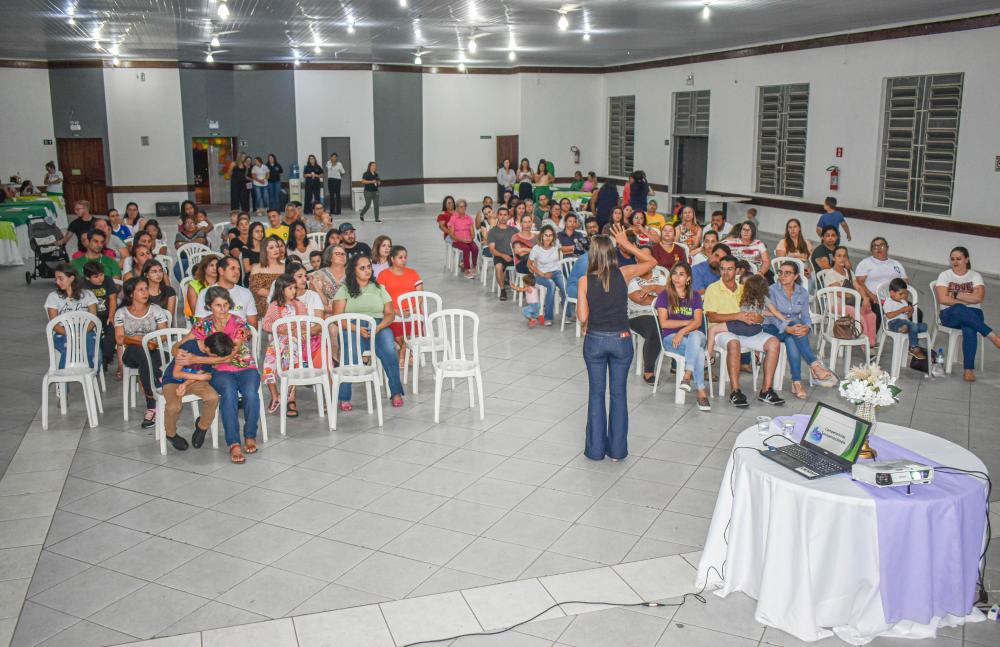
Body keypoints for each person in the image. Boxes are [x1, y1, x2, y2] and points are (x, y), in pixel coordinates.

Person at [576, 225, 656, 461]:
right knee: (618, 394)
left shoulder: (584, 281)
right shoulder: (624, 273)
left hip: (595, 342)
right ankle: (618, 451)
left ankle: (595, 450)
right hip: (622, 340)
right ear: (612, 252)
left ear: (592, 254)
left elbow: (582, 317)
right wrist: (627, 244)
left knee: (596, 394)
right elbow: (651, 262)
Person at [179, 286, 261, 463]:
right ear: (209, 306)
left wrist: (195, 357)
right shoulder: (204, 325)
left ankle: (250, 435)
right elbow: (181, 344)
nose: (223, 310)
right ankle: (234, 443)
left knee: (251, 395)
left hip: (245, 367)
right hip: (220, 372)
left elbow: (229, 355)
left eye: (226, 305)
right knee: (229, 395)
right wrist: (180, 353)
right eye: (218, 305)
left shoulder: (239, 323)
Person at [704, 256, 785, 407]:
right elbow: (711, 316)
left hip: (747, 329)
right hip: (723, 329)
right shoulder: (713, 288)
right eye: (722, 269)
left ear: (736, 271)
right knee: (734, 343)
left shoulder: (745, 288)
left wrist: (758, 318)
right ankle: (735, 392)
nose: (725, 273)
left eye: (729, 269)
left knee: (774, 343)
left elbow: (761, 313)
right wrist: (738, 316)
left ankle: (766, 390)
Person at [332, 255, 404, 409]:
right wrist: (357, 329)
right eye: (362, 268)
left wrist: (378, 327)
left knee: (390, 351)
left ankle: (396, 392)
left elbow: (390, 314)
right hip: (351, 326)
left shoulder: (379, 288)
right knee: (349, 353)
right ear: (354, 270)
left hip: (378, 325)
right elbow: (337, 317)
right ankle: (344, 397)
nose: (367, 270)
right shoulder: (344, 289)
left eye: (369, 267)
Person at [765, 261, 837, 399]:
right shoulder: (771, 290)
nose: (783, 275)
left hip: (792, 329)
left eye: (788, 273)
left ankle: (797, 382)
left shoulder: (801, 292)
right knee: (794, 323)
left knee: (793, 337)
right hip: (772, 327)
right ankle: (814, 365)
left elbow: (805, 316)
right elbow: (773, 317)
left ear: (796, 275)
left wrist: (807, 327)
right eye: (780, 272)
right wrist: (786, 328)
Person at [261, 274, 325, 415]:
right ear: (281, 289)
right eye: (290, 288)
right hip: (278, 342)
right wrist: (278, 327)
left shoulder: (299, 305)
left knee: (290, 364)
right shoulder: (274, 306)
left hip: (294, 341)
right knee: (268, 366)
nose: (294, 291)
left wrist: (295, 329)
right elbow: (265, 324)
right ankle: (275, 396)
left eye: (294, 288)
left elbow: (304, 322)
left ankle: (289, 390)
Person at [934, 247, 1000, 381]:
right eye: (952, 259)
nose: (955, 262)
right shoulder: (945, 275)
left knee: (969, 326)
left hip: (973, 312)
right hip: (949, 314)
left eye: (959, 259)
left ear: (966, 259)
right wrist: (967, 298)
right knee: (959, 309)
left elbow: (979, 298)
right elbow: (943, 299)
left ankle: (968, 370)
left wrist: (956, 294)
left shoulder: (975, 276)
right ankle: (992, 336)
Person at [158, 331, 230, 452]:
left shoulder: (212, 352)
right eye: (215, 356)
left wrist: (186, 384)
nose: (216, 359)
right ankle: (171, 434)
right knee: (173, 406)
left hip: (193, 381)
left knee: (212, 397)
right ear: (207, 348)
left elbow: (200, 371)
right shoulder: (189, 347)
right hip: (173, 380)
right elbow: (176, 373)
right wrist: (200, 378)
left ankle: (202, 427)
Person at [115, 277, 170, 428]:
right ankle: (158, 385)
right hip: (132, 353)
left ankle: (152, 407)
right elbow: (119, 339)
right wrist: (141, 341)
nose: (145, 292)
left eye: (146, 288)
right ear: (131, 294)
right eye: (141, 290)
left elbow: (164, 334)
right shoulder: (121, 313)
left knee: (147, 359)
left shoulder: (156, 310)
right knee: (141, 351)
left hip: (157, 350)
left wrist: (152, 341)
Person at [655, 263, 711, 411]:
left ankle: (687, 375)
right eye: (674, 273)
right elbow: (664, 323)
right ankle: (701, 392)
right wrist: (687, 322)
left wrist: (681, 331)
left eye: (681, 274)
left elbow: (698, 322)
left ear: (688, 278)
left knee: (694, 336)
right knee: (698, 351)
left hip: (692, 335)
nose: (677, 277)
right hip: (670, 338)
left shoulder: (695, 295)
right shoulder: (664, 295)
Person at [818, 246, 876, 348]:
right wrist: (858, 298)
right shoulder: (830, 274)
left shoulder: (849, 272)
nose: (842, 258)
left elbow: (858, 287)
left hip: (852, 302)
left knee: (871, 315)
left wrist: (866, 299)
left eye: (844, 256)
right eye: (839, 256)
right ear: (834, 258)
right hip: (836, 305)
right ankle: (865, 346)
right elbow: (841, 293)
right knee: (858, 316)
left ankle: (870, 344)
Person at [46, 264, 98, 369]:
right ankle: (63, 381)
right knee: (69, 350)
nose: (57, 282)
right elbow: (54, 324)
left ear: (71, 278)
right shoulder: (53, 297)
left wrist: (82, 333)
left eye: (61, 278)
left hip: (86, 330)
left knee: (93, 352)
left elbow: (93, 320)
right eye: (56, 279)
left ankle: (88, 374)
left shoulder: (88, 295)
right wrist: (72, 335)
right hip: (63, 332)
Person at [377, 245, 423, 364]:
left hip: (413, 310)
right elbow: (380, 297)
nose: (404, 260)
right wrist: (396, 310)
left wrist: (413, 309)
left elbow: (420, 294)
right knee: (393, 323)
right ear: (392, 259)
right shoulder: (383, 275)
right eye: (400, 257)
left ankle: (403, 352)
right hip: (393, 310)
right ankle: (405, 350)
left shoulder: (413, 273)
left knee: (413, 325)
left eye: (405, 257)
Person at [626, 261, 669, 383]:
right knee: (655, 329)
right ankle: (649, 370)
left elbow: (673, 291)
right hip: (638, 315)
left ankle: (676, 367)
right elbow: (640, 299)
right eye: (641, 260)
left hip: (662, 312)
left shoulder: (661, 273)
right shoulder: (631, 276)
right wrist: (663, 297)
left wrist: (654, 287)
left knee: (681, 324)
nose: (645, 263)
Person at [855, 237, 907, 331]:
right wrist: (871, 296)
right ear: (871, 250)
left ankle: (911, 342)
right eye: (875, 246)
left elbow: (905, 283)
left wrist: (901, 299)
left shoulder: (896, 264)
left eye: (882, 245)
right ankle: (871, 341)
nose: (878, 248)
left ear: (887, 248)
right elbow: (859, 282)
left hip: (894, 299)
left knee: (916, 312)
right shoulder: (866, 263)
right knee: (877, 311)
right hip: (874, 299)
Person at [194, 256, 258, 326]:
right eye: (232, 268)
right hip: (214, 335)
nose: (237, 272)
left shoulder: (246, 293)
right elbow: (201, 324)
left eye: (238, 269)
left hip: (240, 334)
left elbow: (253, 325)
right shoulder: (205, 293)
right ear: (221, 271)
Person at [82, 260, 117, 370]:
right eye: (96, 276)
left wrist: (111, 316)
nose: (100, 278)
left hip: (107, 314)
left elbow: (112, 299)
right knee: (95, 338)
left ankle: (107, 357)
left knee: (111, 335)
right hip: (92, 317)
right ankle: (98, 359)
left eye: (101, 274)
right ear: (88, 278)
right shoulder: (84, 285)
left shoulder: (108, 280)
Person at [883, 278, 929, 362]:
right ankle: (914, 347)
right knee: (909, 325)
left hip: (905, 322)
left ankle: (906, 329)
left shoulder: (903, 302)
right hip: (893, 323)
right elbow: (889, 315)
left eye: (905, 294)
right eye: (901, 294)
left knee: (924, 326)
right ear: (892, 293)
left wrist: (910, 311)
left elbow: (907, 316)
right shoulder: (889, 302)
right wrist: (902, 310)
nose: (903, 296)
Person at [528, 225, 565, 326]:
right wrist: (542, 274)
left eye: (550, 235)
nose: (548, 237)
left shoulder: (556, 244)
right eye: (546, 235)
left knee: (564, 286)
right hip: (541, 274)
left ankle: (568, 315)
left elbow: (559, 256)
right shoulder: (536, 248)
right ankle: (548, 317)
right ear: (541, 236)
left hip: (556, 271)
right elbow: (529, 264)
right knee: (551, 285)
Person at [249, 236, 286, 316]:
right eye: (271, 248)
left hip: (284, 300)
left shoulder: (285, 266)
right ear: (265, 251)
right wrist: (275, 296)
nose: (276, 249)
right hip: (264, 303)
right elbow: (256, 289)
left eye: (277, 247)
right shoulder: (257, 268)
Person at [488, 207, 516, 301]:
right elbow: (492, 249)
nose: (503, 217)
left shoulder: (514, 230)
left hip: (513, 255)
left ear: (508, 216)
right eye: (501, 215)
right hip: (499, 255)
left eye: (505, 215)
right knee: (498, 266)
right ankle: (502, 289)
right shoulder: (492, 231)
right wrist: (504, 256)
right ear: (497, 216)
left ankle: (525, 287)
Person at [312, 245, 349, 316]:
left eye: (343, 254)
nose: (341, 256)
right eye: (337, 254)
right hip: (328, 315)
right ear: (330, 257)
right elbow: (314, 301)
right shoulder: (319, 275)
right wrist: (336, 312)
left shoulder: (353, 274)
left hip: (350, 313)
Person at [449, 199, 479, 279]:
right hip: (457, 241)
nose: (463, 208)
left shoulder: (469, 218)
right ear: (457, 208)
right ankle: (466, 270)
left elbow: (472, 232)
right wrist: (462, 240)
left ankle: (474, 266)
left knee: (475, 248)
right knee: (466, 248)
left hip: (468, 240)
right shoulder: (453, 218)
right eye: (461, 207)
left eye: (464, 207)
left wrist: (471, 239)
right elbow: (451, 234)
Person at [185, 255, 218, 321]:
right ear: (204, 268)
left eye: (217, 265)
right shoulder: (194, 285)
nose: (215, 268)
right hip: (202, 322)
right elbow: (196, 313)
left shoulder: (222, 283)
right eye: (211, 265)